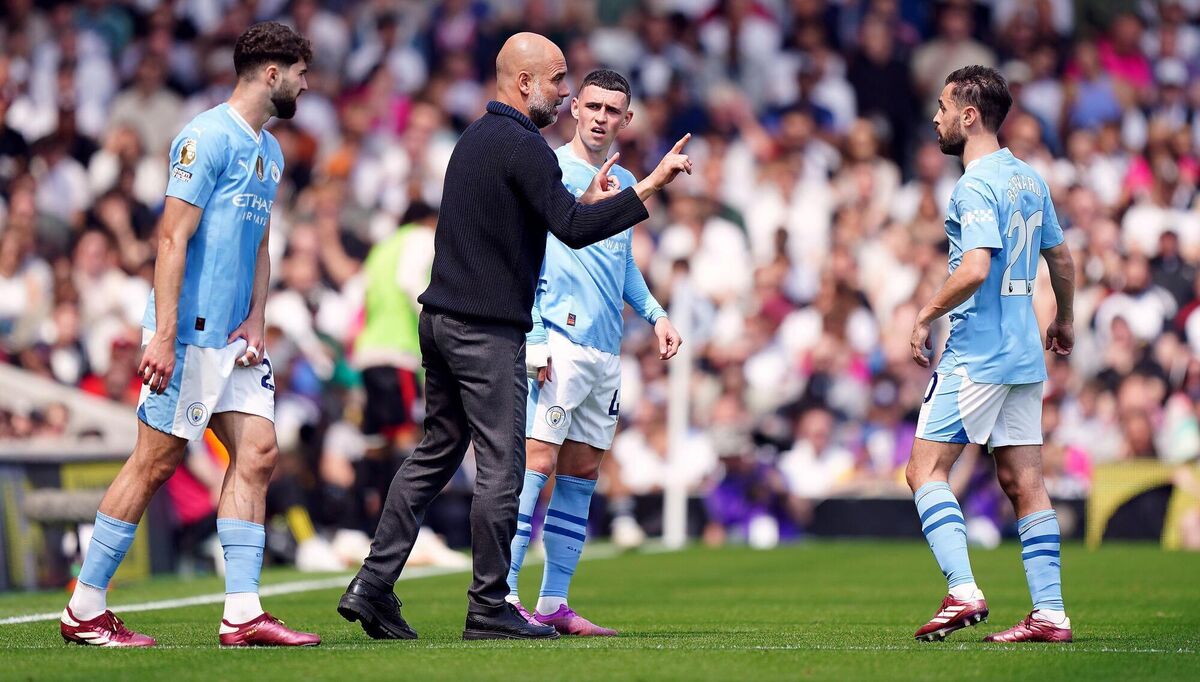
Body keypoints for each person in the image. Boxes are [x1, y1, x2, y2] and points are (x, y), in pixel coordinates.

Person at [337, 32, 692, 641]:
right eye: (557, 81)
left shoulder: (473, 139)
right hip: (487, 331)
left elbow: (529, 221)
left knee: (434, 455)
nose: (563, 93)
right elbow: (574, 228)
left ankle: (373, 584)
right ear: (525, 83)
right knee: (505, 467)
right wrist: (650, 185)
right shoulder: (527, 147)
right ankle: (489, 605)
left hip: (441, 320)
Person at [59, 22, 320, 648]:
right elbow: (171, 238)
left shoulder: (272, 151)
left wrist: (257, 315)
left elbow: (260, 242)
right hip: (189, 332)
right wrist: (165, 334)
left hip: (234, 338)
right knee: (155, 461)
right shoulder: (205, 137)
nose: (308, 85)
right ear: (272, 72)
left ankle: (243, 613)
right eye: (301, 73)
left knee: (256, 453)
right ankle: (85, 608)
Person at [505, 69, 683, 637]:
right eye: (594, 106)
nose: (603, 117)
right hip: (558, 338)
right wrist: (533, 337)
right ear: (574, 107)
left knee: (581, 472)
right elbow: (525, 256)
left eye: (615, 110)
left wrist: (656, 315)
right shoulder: (550, 170)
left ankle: (554, 601)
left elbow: (622, 261)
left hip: (605, 351)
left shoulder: (625, 178)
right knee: (535, 466)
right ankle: (502, 595)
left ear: (627, 120)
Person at [906, 65, 1076, 644]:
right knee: (1023, 480)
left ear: (969, 115)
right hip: (1025, 354)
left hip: (977, 354)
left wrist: (925, 313)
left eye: (943, 106)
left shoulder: (974, 184)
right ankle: (1050, 612)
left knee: (924, 470)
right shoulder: (1030, 180)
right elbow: (1063, 261)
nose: (936, 117)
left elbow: (975, 267)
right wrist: (1066, 321)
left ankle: (962, 590)